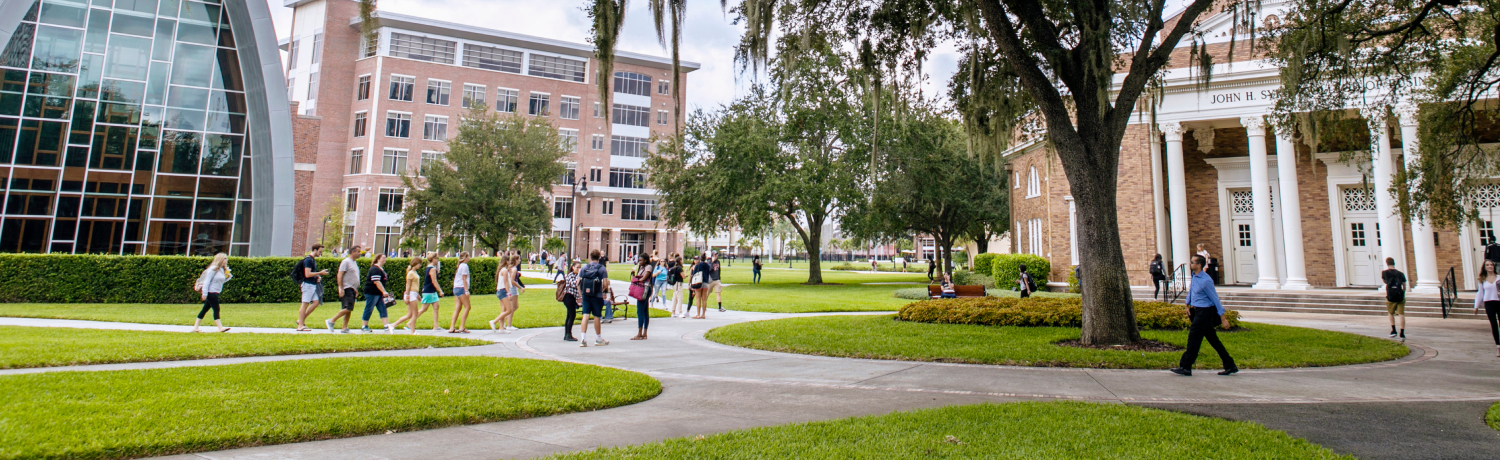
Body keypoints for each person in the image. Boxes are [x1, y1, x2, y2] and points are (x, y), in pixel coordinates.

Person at [1170, 254, 1238, 376]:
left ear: (1199, 265)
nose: (1190, 264)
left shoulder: (1206, 280)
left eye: (1192, 262)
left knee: (1193, 339)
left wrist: (1223, 317)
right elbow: (1191, 290)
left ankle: (1186, 367)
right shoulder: (1194, 276)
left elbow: (1215, 299)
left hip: (1204, 312)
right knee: (1213, 340)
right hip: (1196, 311)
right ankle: (1230, 365)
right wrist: (1187, 303)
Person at [326, 245, 363, 333]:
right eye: (358, 252)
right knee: (348, 308)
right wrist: (341, 288)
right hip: (347, 288)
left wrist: (355, 288)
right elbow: (340, 275)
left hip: (352, 288)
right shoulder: (346, 262)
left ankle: (344, 328)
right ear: (352, 252)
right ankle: (331, 321)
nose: (359, 253)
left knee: (348, 309)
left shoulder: (354, 262)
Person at [192, 253, 232, 333]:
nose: (226, 260)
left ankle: (195, 327)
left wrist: (228, 277)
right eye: (225, 258)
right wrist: (205, 293)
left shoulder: (222, 269)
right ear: (220, 259)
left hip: (216, 292)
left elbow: (221, 281)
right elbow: (207, 281)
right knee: (216, 308)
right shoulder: (213, 269)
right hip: (211, 292)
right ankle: (220, 328)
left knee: (204, 309)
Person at [577, 249, 610, 346]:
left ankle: (583, 340)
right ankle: (598, 339)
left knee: (585, 316)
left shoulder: (584, 268)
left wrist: (581, 294)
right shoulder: (602, 268)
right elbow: (604, 284)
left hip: (586, 296)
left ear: (590, 257)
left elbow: (577, 283)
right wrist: (603, 291)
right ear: (599, 257)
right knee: (596, 316)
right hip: (597, 296)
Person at [295, 244, 330, 331]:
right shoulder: (308, 260)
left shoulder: (312, 260)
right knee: (305, 304)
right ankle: (300, 326)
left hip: (312, 284)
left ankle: (301, 321)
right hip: (307, 285)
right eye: (320, 251)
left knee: (316, 302)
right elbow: (307, 274)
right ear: (315, 250)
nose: (320, 253)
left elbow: (311, 274)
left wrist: (316, 277)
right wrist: (320, 273)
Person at [360, 254, 395, 334]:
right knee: (369, 307)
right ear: (378, 259)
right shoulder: (375, 269)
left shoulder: (380, 269)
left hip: (379, 293)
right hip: (372, 292)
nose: (385, 259)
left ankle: (386, 325)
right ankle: (364, 326)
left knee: (383, 308)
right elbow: (376, 281)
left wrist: (382, 292)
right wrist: (384, 291)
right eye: (383, 258)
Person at [391, 257, 426, 334]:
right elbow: (408, 286)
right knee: (415, 313)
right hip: (411, 294)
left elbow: (415, 285)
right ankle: (412, 331)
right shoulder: (410, 273)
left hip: (414, 293)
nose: (420, 265)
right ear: (416, 264)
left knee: (409, 315)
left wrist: (417, 295)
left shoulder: (414, 272)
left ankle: (393, 325)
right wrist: (407, 296)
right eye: (419, 264)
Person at [1475, 260, 1500, 357]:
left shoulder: (1499, 278)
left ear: (1494, 267)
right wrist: (1476, 306)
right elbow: (1480, 293)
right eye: (1487, 265)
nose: (1490, 266)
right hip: (1489, 303)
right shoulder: (1482, 279)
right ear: (1484, 267)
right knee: (1493, 324)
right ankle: (1498, 346)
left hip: (1499, 302)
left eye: (1491, 265)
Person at [1381, 257, 1407, 341]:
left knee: (1391, 313)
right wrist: (1402, 293)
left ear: (1387, 263)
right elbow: (1404, 285)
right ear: (1394, 263)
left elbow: (1385, 282)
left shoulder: (1385, 273)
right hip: (1400, 297)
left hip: (1390, 297)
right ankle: (1402, 333)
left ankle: (1393, 330)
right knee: (1401, 314)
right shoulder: (1400, 273)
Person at [489, 255, 517, 332]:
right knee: (509, 310)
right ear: (506, 261)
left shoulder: (503, 270)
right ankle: (494, 321)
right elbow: (505, 283)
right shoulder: (504, 271)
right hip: (503, 291)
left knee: (503, 310)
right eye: (508, 261)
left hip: (500, 291)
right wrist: (509, 293)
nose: (509, 262)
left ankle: (501, 328)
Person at [631, 257, 655, 340]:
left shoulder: (648, 267)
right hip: (643, 289)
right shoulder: (641, 267)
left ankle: (640, 334)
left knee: (640, 311)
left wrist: (636, 280)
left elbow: (644, 278)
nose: (639, 262)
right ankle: (644, 334)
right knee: (644, 311)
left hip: (644, 290)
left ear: (645, 260)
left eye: (641, 260)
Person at [448, 252, 473, 333]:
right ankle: (461, 326)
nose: (469, 258)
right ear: (465, 257)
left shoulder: (460, 266)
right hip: (461, 288)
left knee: (457, 308)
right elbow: (464, 278)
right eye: (468, 256)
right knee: (467, 307)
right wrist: (466, 290)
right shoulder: (465, 266)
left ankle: (452, 327)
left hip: (456, 288)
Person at [421, 252, 445, 331]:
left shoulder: (430, 267)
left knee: (436, 307)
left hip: (431, 291)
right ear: (433, 259)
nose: (438, 260)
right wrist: (440, 291)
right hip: (429, 291)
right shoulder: (432, 269)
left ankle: (436, 326)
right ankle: (411, 322)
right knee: (424, 309)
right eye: (437, 258)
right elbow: (434, 281)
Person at [561, 262, 582, 341]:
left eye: (580, 267)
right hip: (568, 296)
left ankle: (567, 334)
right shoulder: (570, 275)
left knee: (569, 315)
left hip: (573, 298)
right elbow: (574, 284)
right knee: (572, 315)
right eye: (577, 267)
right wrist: (579, 277)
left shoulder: (577, 276)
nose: (578, 269)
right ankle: (568, 334)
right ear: (573, 267)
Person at [691, 254, 713, 319]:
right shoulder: (707, 266)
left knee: (698, 299)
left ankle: (698, 314)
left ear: (700, 259)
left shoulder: (697, 265)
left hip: (698, 282)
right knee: (704, 300)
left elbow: (694, 274)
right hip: (705, 282)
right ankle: (703, 314)